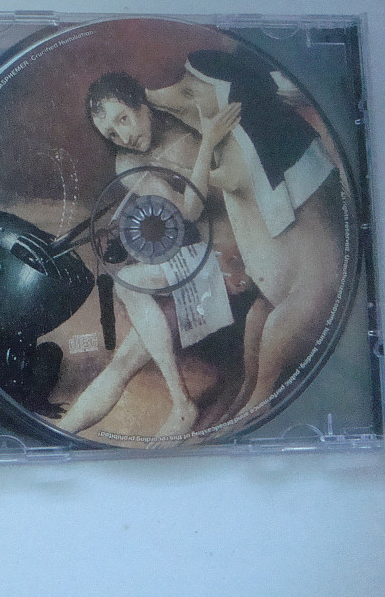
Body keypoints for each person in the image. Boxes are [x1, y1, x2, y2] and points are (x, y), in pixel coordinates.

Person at [143, 51, 346, 416]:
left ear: (229, 103)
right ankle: (244, 397)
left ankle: (253, 405)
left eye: (191, 92)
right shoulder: (239, 134)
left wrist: (191, 154)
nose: (179, 99)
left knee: (274, 337)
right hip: (277, 288)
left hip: (312, 292)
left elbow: (214, 186)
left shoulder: (245, 143)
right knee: (257, 320)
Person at [58, 73, 242, 440]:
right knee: (126, 326)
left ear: (141, 103)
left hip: (240, 249)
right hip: (205, 259)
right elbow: (189, 211)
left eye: (124, 119)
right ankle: (58, 436)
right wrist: (208, 143)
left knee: (129, 313)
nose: (124, 137)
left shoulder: (179, 110)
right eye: (112, 134)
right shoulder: (127, 165)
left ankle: (181, 404)